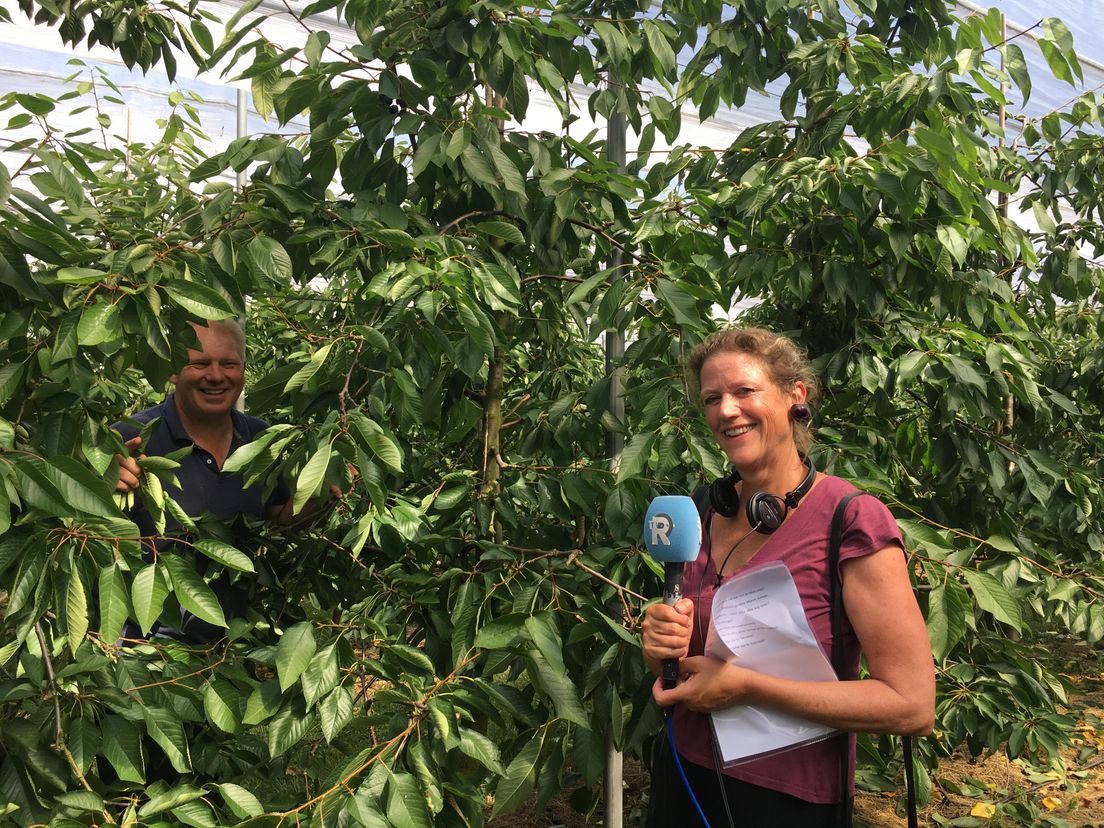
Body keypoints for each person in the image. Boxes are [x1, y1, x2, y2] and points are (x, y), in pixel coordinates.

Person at [641, 327, 934, 827]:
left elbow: (910, 705)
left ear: (794, 395)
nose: (726, 410)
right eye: (712, 398)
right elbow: (690, 664)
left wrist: (748, 688)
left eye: (744, 391)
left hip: (786, 801)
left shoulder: (851, 520)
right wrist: (659, 647)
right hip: (684, 777)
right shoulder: (701, 511)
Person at [112, 318, 338, 642]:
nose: (216, 376)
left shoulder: (261, 440)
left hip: (229, 650)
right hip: (144, 657)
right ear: (174, 371)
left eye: (228, 364)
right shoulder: (133, 437)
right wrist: (105, 482)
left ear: (243, 370)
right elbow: (84, 533)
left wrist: (318, 493)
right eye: (200, 363)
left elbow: (279, 519)